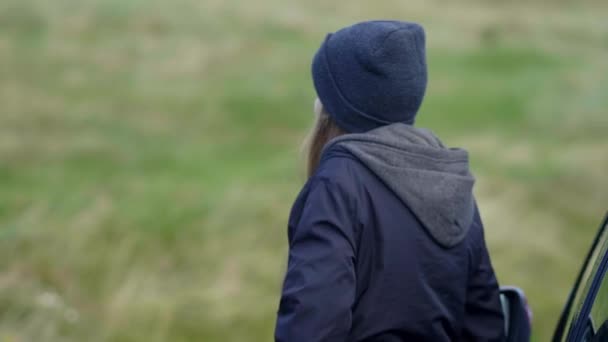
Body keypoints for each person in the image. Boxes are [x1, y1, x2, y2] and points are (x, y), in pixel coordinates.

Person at [275, 20, 505, 341]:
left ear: (337, 108)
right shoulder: (450, 178)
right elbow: (485, 327)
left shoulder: (337, 187)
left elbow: (312, 328)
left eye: (321, 93)